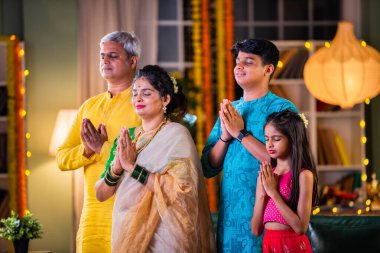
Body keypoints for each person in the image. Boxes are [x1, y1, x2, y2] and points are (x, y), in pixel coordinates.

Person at [95, 65, 215, 252]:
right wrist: (117, 168)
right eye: (135, 93)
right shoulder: (127, 139)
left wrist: (132, 167)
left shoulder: (176, 135)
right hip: (128, 233)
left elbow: (183, 191)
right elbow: (101, 194)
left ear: (165, 99)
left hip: (166, 235)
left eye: (147, 93)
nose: (138, 98)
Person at [201, 38, 298, 252]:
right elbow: (207, 167)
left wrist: (241, 133)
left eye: (248, 61)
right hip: (230, 218)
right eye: (237, 61)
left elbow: (285, 161)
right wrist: (225, 136)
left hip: (270, 215)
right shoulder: (230, 110)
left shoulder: (283, 108)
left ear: (268, 69)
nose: (239, 66)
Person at [56, 31, 141, 253]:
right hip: (92, 216)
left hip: (130, 213)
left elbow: (145, 160)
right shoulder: (89, 106)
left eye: (112, 55)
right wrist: (86, 150)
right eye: (102, 55)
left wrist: (101, 149)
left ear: (132, 61)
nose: (104, 61)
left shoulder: (142, 105)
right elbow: (62, 158)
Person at [250, 109, 318, 253]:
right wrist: (263, 194)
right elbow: (255, 230)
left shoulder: (303, 176)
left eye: (276, 139)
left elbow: (300, 228)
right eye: (267, 138)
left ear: (293, 139)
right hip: (269, 245)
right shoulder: (265, 176)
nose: (269, 144)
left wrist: (273, 193)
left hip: (292, 246)